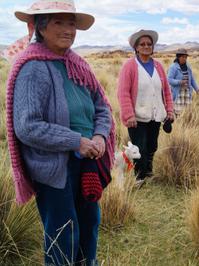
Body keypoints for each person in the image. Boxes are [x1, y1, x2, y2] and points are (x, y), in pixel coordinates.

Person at [5, 1, 115, 265]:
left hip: (88, 161)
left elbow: (102, 107)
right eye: (58, 22)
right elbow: (27, 126)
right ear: (40, 28)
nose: (68, 30)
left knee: (89, 224)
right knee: (63, 233)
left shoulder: (77, 64)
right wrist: (76, 142)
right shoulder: (32, 68)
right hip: (55, 168)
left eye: (71, 23)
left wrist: (99, 137)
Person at [117, 29, 174, 184]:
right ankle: (139, 177)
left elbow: (166, 91)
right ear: (136, 47)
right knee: (139, 148)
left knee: (152, 146)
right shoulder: (129, 66)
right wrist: (129, 116)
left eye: (149, 44)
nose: (146, 46)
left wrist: (169, 110)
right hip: (137, 117)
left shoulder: (159, 66)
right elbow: (123, 93)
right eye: (142, 44)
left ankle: (148, 172)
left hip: (156, 115)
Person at [167, 48, 199, 115]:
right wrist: (179, 82)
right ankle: (178, 124)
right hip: (178, 92)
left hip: (187, 92)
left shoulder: (188, 66)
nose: (184, 58)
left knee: (187, 111)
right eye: (182, 57)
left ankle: (185, 122)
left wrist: (196, 89)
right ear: (178, 57)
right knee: (178, 112)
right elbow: (169, 80)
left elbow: (192, 79)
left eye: (185, 57)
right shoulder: (173, 67)